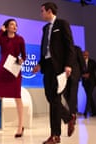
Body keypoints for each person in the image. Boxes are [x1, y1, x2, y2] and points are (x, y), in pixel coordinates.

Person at [32, 2, 76, 144]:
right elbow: (45, 49)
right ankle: (68, 118)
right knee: (51, 98)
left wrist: (68, 65)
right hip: (47, 67)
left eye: (42, 11)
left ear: (49, 11)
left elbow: (70, 46)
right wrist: (39, 63)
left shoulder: (62, 24)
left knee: (54, 99)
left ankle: (55, 136)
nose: (41, 13)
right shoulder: (45, 28)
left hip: (59, 67)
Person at [65, 45, 86, 116]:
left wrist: (83, 72)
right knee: (66, 93)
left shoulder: (77, 49)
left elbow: (81, 61)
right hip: (65, 75)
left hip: (75, 74)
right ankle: (73, 109)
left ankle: (72, 113)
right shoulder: (62, 49)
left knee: (73, 94)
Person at [82, 50, 96, 118]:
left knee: (89, 95)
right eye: (83, 54)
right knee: (89, 96)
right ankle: (94, 111)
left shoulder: (92, 61)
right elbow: (79, 71)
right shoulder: (81, 62)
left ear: (88, 55)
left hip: (92, 81)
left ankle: (85, 111)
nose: (85, 56)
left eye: (86, 54)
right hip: (84, 82)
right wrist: (83, 75)